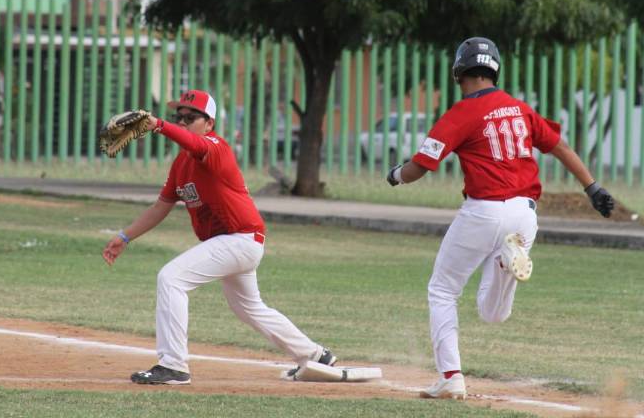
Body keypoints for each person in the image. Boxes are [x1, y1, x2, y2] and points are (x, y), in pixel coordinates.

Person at [386, 37, 614, 400]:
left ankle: (450, 376)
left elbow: (419, 168)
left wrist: (395, 174)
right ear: (494, 69)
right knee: (492, 314)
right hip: (524, 215)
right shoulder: (519, 108)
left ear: (460, 71)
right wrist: (592, 188)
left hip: (484, 211)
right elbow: (560, 146)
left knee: (442, 290)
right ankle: (509, 260)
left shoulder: (461, 113)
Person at [103, 89, 336, 385]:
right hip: (232, 244)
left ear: (209, 123)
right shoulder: (181, 165)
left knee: (171, 278)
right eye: (180, 117)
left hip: (240, 238)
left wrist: (159, 125)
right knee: (249, 308)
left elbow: (191, 142)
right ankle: (316, 355)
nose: (184, 122)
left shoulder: (216, 148)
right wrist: (125, 237)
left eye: (191, 117)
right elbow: (161, 207)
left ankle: (173, 365)